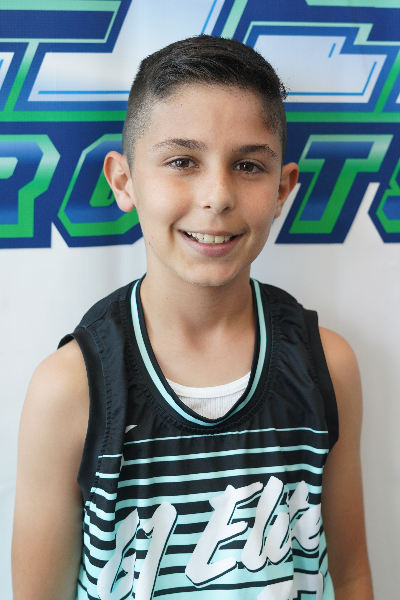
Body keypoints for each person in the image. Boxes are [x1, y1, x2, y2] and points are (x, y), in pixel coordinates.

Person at [12, 35, 373, 600]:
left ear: (282, 188)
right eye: (182, 161)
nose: (217, 195)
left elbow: (350, 576)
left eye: (248, 165)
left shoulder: (326, 365)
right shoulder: (69, 388)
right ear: (124, 181)